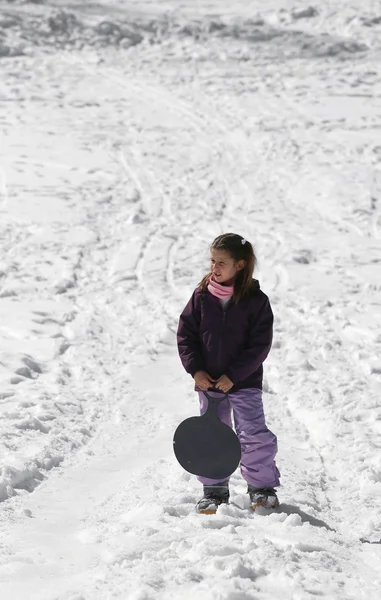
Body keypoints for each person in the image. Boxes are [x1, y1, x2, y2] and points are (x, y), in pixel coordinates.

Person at [177, 233, 280, 514]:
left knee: (253, 433)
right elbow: (186, 336)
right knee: (212, 433)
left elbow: (260, 345)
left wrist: (234, 375)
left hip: (243, 382)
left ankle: (261, 487)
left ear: (241, 265)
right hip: (209, 383)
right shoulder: (200, 297)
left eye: (222, 262)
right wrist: (196, 370)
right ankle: (214, 489)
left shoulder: (256, 301)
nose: (215, 267)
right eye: (212, 261)